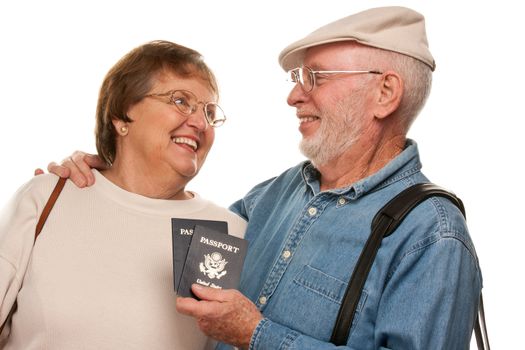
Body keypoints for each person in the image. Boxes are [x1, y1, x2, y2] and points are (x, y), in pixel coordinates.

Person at [44, 6, 483, 350]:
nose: (293, 96)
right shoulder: (274, 196)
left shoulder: (434, 235)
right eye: (296, 78)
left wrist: (256, 334)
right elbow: (172, 238)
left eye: (314, 78)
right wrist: (111, 173)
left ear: (385, 93)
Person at [0, 40, 247, 349]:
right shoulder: (48, 197)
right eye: (181, 101)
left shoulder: (228, 232)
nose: (200, 123)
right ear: (122, 115)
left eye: (209, 113)